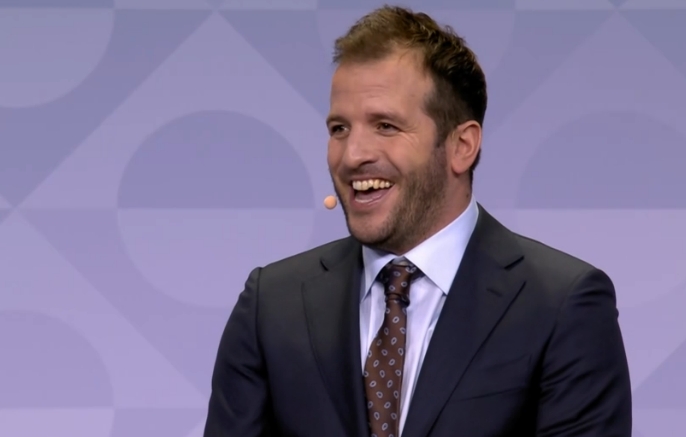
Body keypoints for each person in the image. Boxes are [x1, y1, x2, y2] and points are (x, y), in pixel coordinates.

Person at [203, 5, 632, 437]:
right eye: (339, 129)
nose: (352, 155)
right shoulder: (272, 305)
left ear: (462, 146)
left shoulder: (562, 306)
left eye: (386, 126)